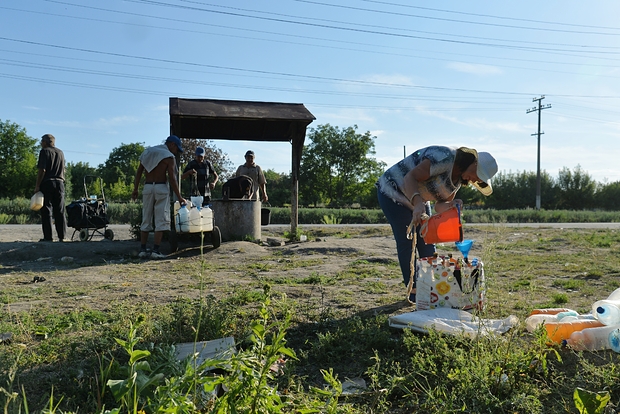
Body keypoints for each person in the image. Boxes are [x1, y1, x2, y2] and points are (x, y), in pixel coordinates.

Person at [376, 146, 498, 302]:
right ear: (473, 163)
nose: (475, 180)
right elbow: (409, 178)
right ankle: (414, 293)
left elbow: (439, 205)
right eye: (477, 175)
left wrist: (451, 205)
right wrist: (418, 203)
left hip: (418, 199)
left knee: (427, 243)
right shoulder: (445, 157)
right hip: (393, 190)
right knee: (408, 242)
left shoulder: (457, 181)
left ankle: (429, 289)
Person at [132, 135, 186, 259]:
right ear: (171, 144)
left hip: (148, 187)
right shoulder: (168, 157)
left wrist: (135, 189)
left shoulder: (148, 152)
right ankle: (156, 251)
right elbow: (172, 178)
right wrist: (179, 197)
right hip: (161, 187)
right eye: (176, 148)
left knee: (146, 217)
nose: (176, 151)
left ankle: (142, 249)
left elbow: (139, 171)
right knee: (161, 219)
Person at [34, 134, 67, 242]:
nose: (40, 143)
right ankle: (62, 236)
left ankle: (48, 237)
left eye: (41, 141)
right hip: (60, 183)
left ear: (45, 142)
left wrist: (37, 185)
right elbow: (64, 169)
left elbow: (42, 170)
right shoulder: (60, 152)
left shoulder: (44, 151)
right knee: (60, 210)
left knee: (47, 210)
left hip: (48, 182)